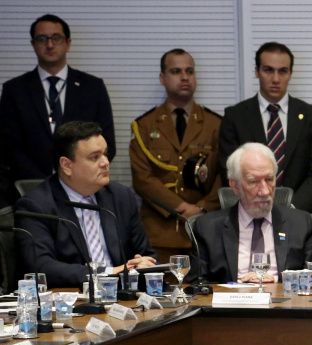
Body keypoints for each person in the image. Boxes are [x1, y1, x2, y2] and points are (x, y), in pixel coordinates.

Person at [15, 121, 157, 288]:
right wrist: (109, 272)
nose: (105, 162)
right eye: (94, 157)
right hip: (69, 304)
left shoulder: (121, 197)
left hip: (123, 299)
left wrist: (142, 264)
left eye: (105, 154)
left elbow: (145, 254)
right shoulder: (36, 206)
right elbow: (42, 267)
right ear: (67, 165)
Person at [0, 14, 116, 204]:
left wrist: (76, 178)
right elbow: (8, 146)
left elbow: (107, 141)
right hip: (29, 192)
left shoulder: (92, 87)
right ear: (33, 44)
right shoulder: (15, 89)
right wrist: (44, 184)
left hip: (84, 190)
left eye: (56, 38)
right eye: (42, 39)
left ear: (68, 43)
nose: (50, 44)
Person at [130, 49, 223, 262]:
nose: (184, 77)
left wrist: (201, 208)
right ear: (162, 78)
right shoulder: (144, 126)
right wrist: (180, 208)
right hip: (160, 232)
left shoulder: (215, 124)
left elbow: (224, 177)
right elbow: (142, 178)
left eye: (190, 71)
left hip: (205, 230)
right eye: (176, 71)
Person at [218, 42, 312, 214]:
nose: (276, 79)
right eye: (268, 70)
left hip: (301, 215)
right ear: (257, 71)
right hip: (249, 214)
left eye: (282, 71)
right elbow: (229, 171)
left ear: (291, 73)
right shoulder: (235, 116)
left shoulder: (311, 116)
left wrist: (290, 209)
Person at [194, 142, 312, 285]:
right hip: (230, 306)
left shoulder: (301, 224)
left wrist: (277, 282)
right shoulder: (207, 228)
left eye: (269, 180)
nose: (265, 191)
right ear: (235, 186)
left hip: (283, 305)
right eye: (254, 182)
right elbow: (197, 286)